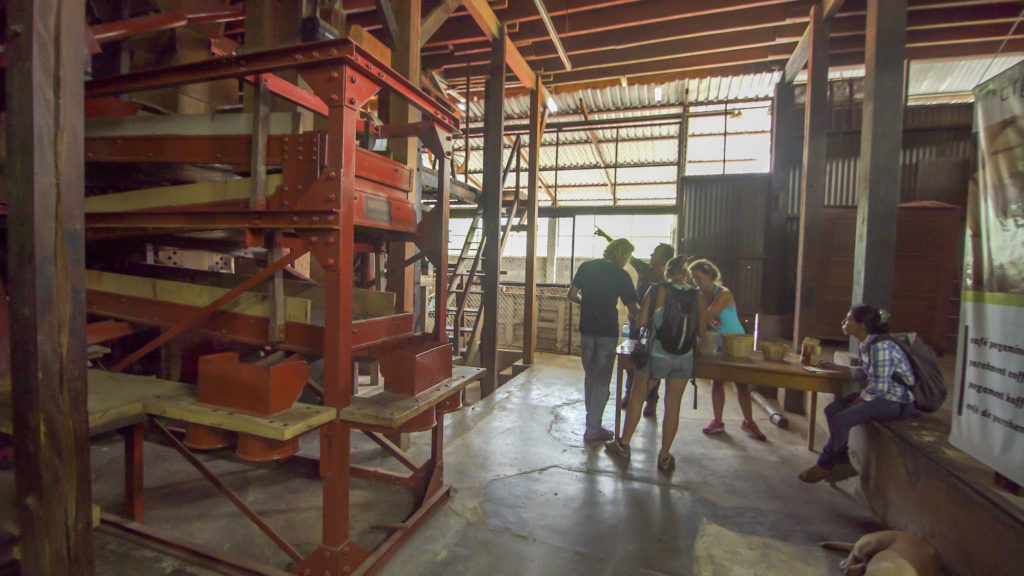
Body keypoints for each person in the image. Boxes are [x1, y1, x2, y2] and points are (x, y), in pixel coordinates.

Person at [605, 255, 706, 472]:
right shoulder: (697, 295)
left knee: (638, 395)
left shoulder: (658, 289)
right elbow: (702, 331)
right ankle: (665, 455)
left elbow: (640, 322)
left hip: (657, 354)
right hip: (683, 357)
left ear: (668, 272)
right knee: (673, 406)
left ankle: (624, 443)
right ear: (686, 274)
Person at [799, 304, 916, 484]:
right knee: (832, 409)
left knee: (841, 419)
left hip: (895, 400)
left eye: (848, 319)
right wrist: (835, 368)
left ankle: (825, 464)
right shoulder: (867, 344)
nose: (843, 322)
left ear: (861, 325)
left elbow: (879, 387)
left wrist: (858, 402)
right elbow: (863, 373)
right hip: (880, 395)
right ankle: (844, 462)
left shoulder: (881, 346)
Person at [567, 238, 641, 443]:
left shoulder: (586, 267)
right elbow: (634, 308)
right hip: (607, 331)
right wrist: (649, 321)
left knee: (590, 376)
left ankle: (592, 421)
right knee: (602, 379)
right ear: (623, 255)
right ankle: (593, 427)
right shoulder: (621, 275)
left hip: (587, 329)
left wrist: (587, 303)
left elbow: (571, 295)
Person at [689, 259, 767, 441]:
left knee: (741, 384)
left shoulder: (723, 293)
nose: (696, 281)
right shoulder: (699, 294)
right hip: (716, 343)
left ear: (709, 275)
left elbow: (709, 313)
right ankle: (717, 421)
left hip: (734, 343)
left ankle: (749, 421)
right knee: (717, 381)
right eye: (693, 278)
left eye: (698, 277)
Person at [623, 243, 675, 418]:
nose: (651, 255)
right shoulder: (644, 269)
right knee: (632, 358)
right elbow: (628, 255)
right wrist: (607, 237)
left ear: (664, 258)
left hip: (657, 327)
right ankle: (629, 392)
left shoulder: (668, 279)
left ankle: (652, 400)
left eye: (655, 253)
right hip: (637, 322)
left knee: (654, 363)